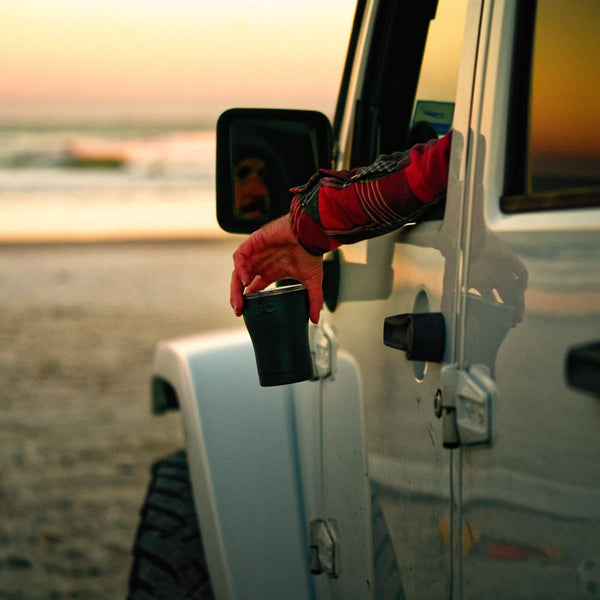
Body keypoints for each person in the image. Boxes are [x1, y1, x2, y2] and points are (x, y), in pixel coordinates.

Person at [230, 131, 452, 324]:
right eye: (242, 174)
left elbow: (439, 166)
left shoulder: (462, 160)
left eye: (265, 177)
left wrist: (308, 225)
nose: (259, 190)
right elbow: (441, 165)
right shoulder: (465, 158)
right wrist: (306, 229)